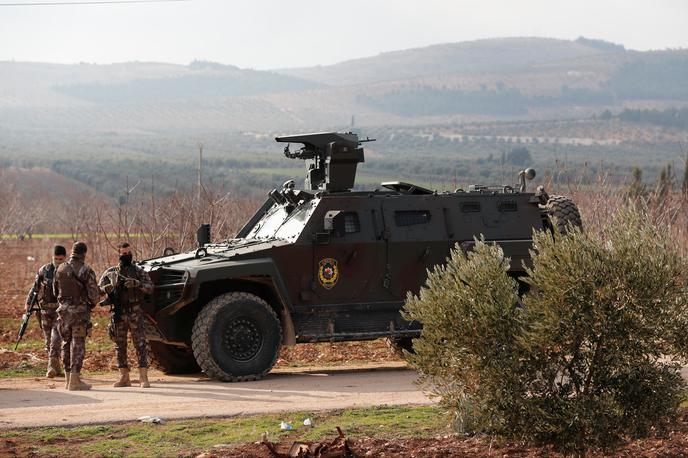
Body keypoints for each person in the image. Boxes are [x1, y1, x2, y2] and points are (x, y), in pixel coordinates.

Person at [99, 242, 153, 388]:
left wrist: (137, 284)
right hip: (119, 312)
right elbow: (98, 290)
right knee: (119, 345)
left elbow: (150, 287)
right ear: (119, 254)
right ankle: (124, 377)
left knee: (140, 344)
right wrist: (108, 287)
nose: (126, 256)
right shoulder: (111, 272)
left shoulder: (138, 271)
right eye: (123, 254)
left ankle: (143, 377)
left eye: (128, 253)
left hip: (135, 311)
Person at [53, 241, 101, 391]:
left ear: (72, 252)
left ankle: (68, 379)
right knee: (78, 345)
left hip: (63, 312)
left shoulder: (60, 268)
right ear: (84, 254)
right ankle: (75, 379)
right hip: (79, 313)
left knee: (66, 343)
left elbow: (55, 292)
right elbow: (94, 296)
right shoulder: (86, 270)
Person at [25, 245, 67, 378]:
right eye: (55, 258)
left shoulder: (68, 271)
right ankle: (57, 368)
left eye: (60, 259)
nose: (58, 261)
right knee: (48, 340)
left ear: (64, 258)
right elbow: (35, 288)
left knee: (56, 338)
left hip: (60, 310)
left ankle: (51, 366)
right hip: (45, 310)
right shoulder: (44, 270)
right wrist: (28, 303)